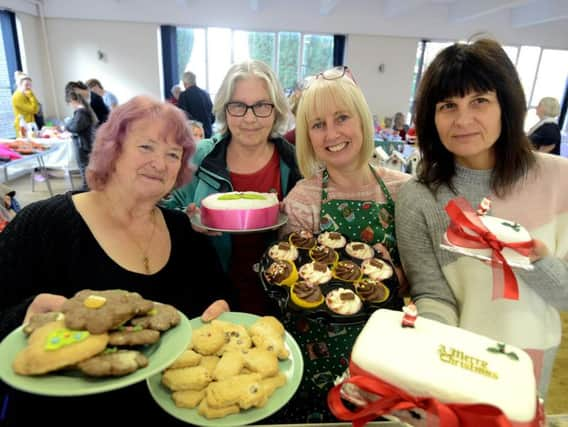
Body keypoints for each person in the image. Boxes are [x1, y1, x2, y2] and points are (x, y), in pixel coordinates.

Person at [0, 95, 232, 425]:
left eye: (172, 154)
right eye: (146, 147)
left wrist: (221, 310)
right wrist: (22, 316)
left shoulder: (184, 232)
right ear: (113, 149)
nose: (160, 163)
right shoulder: (44, 224)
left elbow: (219, 295)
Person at [395, 38, 568, 399]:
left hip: (528, 362)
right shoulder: (419, 196)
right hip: (452, 364)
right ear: (431, 116)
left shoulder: (560, 180)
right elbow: (433, 294)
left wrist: (534, 260)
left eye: (480, 101)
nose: (463, 120)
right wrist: (420, 343)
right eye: (448, 105)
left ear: (506, 104)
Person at [278, 65, 410, 423]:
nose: (332, 133)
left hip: (383, 350)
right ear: (306, 135)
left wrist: (396, 276)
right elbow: (291, 283)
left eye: (341, 118)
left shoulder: (402, 190)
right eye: (318, 124)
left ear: (362, 121)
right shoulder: (303, 198)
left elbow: (422, 278)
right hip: (317, 350)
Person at [161, 59, 301, 315]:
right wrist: (186, 220)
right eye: (238, 106)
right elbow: (158, 214)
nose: (250, 118)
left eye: (261, 106)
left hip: (281, 304)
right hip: (209, 300)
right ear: (225, 110)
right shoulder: (199, 157)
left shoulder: (296, 164)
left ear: (276, 110)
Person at [64, 86, 97, 189]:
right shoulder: (84, 111)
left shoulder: (81, 112)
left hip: (82, 145)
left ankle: (87, 189)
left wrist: (67, 124)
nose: (71, 106)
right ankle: (88, 188)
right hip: (86, 143)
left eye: (70, 103)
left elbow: (75, 127)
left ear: (73, 101)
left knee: (84, 167)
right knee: (86, 167)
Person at [177, 70, 215, 138]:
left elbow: (182, 117)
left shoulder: (184, 95)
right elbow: (212, 116)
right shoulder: (205, 94)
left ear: (184, 83)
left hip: (195, 135)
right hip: (208, 133)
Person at [11, 71, 40, 137]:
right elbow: (33, 109)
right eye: (26, 85)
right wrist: (31, 96)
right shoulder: (17, 96)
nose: (29, 87)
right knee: (25, 146)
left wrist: (31, 96)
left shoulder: (26, 94)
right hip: (22, 126)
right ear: (20, 85)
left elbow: (36, 110)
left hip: (30, 124)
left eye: (30, 85)